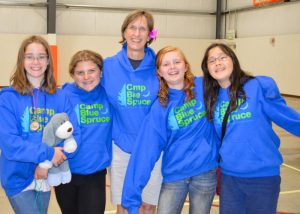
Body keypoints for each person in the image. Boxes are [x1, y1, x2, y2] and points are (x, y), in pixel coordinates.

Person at [201, 43, 300, 214]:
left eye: (222, 57)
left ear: (233, 60)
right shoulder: (212, 98)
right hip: (229, 178)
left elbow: (288, 118)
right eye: (212, 60)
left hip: (262, 177)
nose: (217, 63)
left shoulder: (258, 86)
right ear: (207, 68)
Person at [122, 46, 219, 214]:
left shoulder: (204, 87)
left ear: (186, 66)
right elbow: (145, 151)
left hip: (205, 171)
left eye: (177, 62)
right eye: (166, 64)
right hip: (175, 174)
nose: (172, 67)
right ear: (159, 72)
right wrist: (131, 197)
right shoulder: (160, 108)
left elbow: (231, 83)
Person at [0, 35, 80, 214]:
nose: (35, 61)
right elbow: (10, 143)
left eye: (41, 56)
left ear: (48, 61)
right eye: (29, 56)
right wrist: (48, 154)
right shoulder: (7, 98)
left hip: (47, 173)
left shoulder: (60, 97)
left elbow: (72, 132)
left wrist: (45, 164)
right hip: (18, 176)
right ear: (22, 61)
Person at [101, 9, 162, 214]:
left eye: (142, 29)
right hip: (121, 148)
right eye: (132, 28)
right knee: (125, 207)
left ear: (150, 35)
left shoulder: (160, 68)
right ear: (124, 32)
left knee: (147, 206)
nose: (136, 33)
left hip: (153, 148)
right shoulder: (108, 66)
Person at [55, 50, 112, 214]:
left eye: (91, 71)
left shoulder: (108, 93)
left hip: (95, 173)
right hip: (65, 171)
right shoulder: (62, 95)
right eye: (80, 72)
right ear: (73, 74)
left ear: (100, 72)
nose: (86, 77)